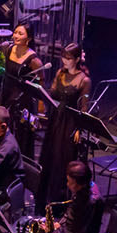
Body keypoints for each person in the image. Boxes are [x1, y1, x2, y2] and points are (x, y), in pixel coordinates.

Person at [38, 44, 92, 207]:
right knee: (50, 156)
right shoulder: (60, 73)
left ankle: (61, 200)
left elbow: (84, 107)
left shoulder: (84, 80)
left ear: (77, 59)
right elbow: (52, 94)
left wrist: (79, 128)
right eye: (63, 57)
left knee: (63, 158)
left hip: (70, 123)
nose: (64, 61)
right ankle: (44, 199)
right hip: (56, 119)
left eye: (68, 58)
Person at [0, 24, 44, 157]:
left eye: (20, 34)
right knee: (4, 129)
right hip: (7, 95)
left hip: (23, 100)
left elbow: (41, 80)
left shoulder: (33, 60)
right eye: (15, 32)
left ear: (29, 38)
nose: (15, 36)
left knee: (21, 134)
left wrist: (40, 104)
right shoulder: (9, 49)